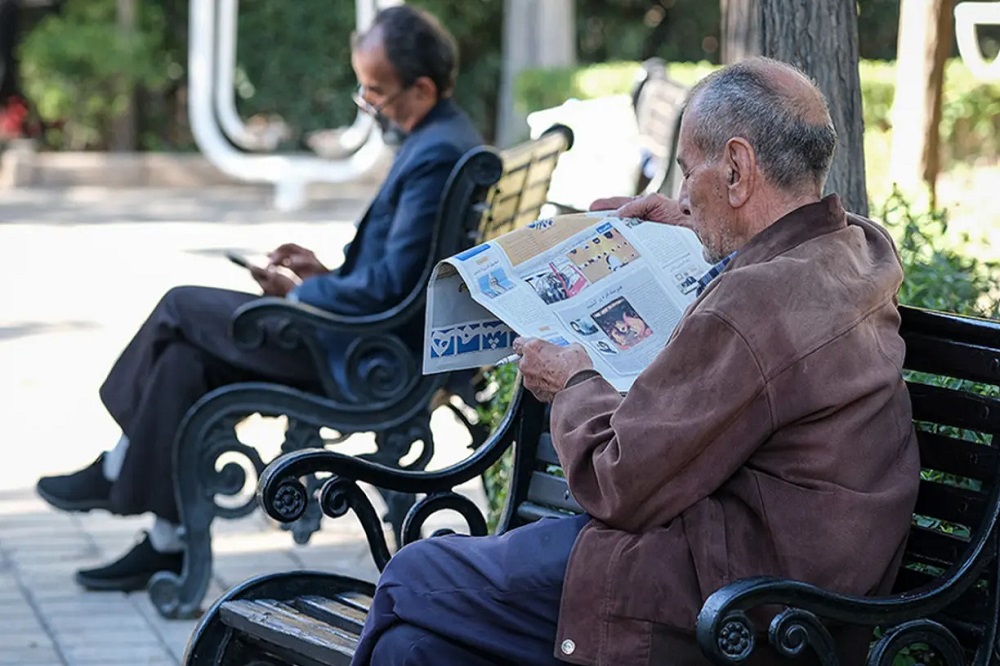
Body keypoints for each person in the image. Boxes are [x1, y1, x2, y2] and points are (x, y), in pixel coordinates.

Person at [349, 57, 920, 665]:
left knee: (411, 576)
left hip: (727, 604)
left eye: (688, 172)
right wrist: (696, 224)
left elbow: (615, 481)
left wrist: (572, 383)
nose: (681, 194)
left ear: (737, 168)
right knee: (411, 650)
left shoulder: (756, 305)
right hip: (781, 584)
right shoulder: (856, 249)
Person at [34, 5, 481, 593]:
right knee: (182, 361)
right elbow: (396, 275)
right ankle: (166, 545)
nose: (368, 104)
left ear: (421, 89)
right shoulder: (443, 138)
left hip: (362, 357)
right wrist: (323, 273)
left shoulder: (436, 153)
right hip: (369, 342)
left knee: (179, 306)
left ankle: (116, 468)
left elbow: (387, 289)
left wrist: (305, 293)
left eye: (375, 91)